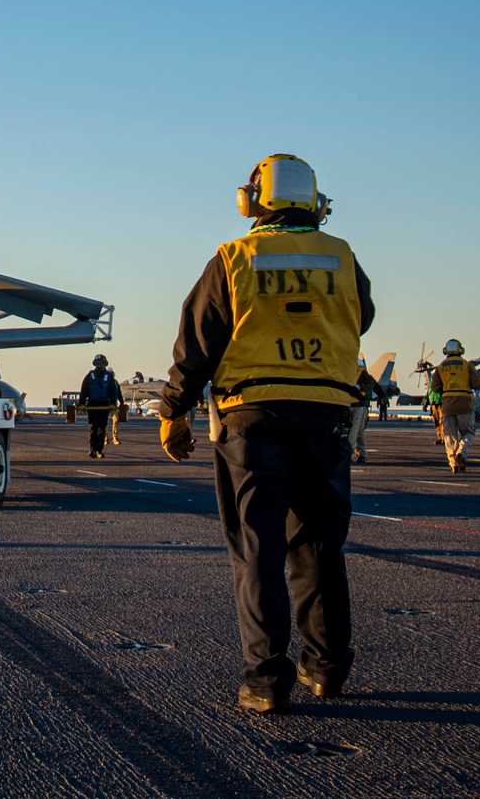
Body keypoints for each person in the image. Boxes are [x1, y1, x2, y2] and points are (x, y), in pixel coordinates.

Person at [157, 154, 374, 713]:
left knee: (258, 548)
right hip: (325, 415)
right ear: (314, 202)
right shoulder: (343, 257)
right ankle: (326, 668)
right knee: (320, 547)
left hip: (250, 417)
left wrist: (172, 411)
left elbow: (197, 342)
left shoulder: (234, 258)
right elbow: (362, 316)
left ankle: (264, 680)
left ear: (253, 200)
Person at [430, 340, 476, 474]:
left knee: (449, 435)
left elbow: (435, 387)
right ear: (460, 350)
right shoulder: (467, 365)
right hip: (465, 402)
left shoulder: (440, 367)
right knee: (468, 431)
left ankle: (453, 463)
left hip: (447, 404)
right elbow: (477, 383)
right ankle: (461, 452)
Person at [78, 354, 123, 459]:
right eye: (97, 363)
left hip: (104, 405)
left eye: (101, 363)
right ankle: (92, 449)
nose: (99, 365)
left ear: (104, 364)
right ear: (95, 364)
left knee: (102, 428)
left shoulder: (109, 377)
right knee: (94, 428)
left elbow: (113, 391)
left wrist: (113, 403)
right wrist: (81, 403)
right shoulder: (90, 376)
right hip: (92, 404)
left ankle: (99, 450)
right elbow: (84, 390)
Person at [350, 360, 378, 464]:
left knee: (354, 432)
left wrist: (359, 388)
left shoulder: (360, 369)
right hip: (350, 404)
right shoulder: (345, 366)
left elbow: (370, 383)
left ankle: (352, 457)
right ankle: (361, 454)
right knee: (357, 432)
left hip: (358, 405)